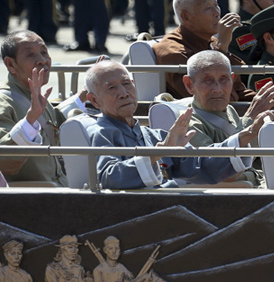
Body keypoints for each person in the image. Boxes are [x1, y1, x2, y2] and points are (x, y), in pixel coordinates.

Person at [83, 61, 262, 190]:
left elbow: (200, 165)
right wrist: (156, 153)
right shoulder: (101, 133)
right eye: (111, 88)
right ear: (94, 100)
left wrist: (241, 139)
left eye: (126, 84)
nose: (124, 93)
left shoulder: (156, 136)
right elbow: (109, 177)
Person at [183, 50, 274, 186]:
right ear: (189, 84)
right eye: (208, 81)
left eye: (223, 79)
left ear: (232, 79)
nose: (217, 89)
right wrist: (250, 118)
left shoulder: (229, 110)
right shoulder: (188, 124)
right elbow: (221, 172)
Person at [153, 0, 256, 102]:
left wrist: (268, 102)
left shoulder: (211, 41)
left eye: (216, 5)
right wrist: (221, 48)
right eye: (207, 8)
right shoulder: (171, 52)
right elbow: (209, 101)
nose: (217, 13)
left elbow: (238, 90)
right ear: (186, 17)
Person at [0, 32, 70, 186]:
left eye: (44, 52)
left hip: (64, 190)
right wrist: (30, 120)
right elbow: (4, 159)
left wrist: (86, 97)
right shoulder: (4, 103)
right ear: (11, 64)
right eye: (30, 55)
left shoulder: (36, 96)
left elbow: (59, 126)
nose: (42, 60)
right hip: (34, 202)